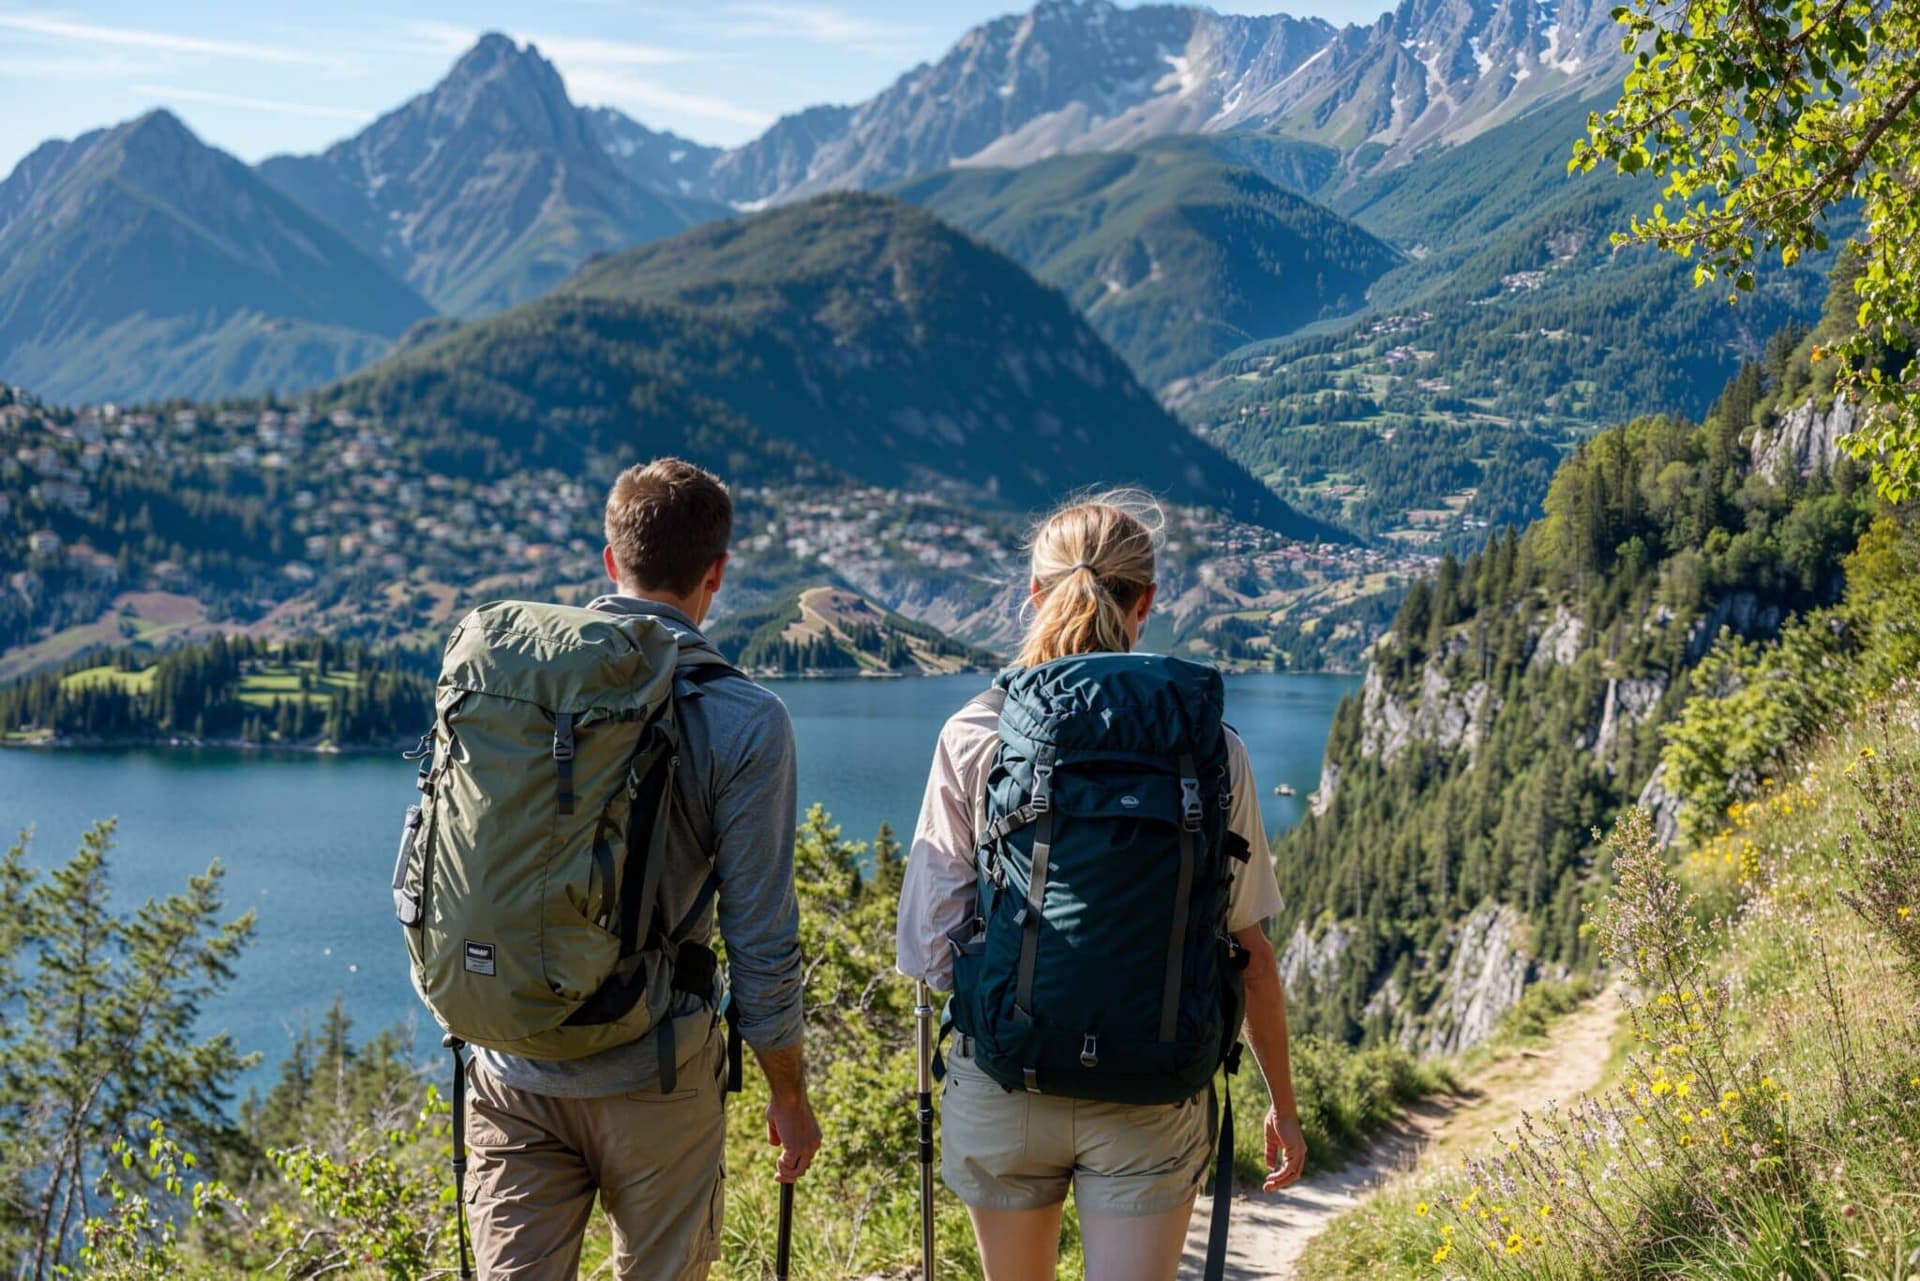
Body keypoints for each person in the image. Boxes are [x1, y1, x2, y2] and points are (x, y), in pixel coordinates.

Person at [895, 492, 1308, 1281]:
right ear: (1146, 602)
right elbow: (1250, 951)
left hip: (1007, 1079)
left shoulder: (977, 733)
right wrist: (1282, 1108)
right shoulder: (1209, 747)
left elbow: (926, 947)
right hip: (1152, 1093)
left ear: (1034, 594)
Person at [464, 458, 822, 1281]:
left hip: (512, 1063)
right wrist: (789, 1094)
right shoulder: (744, 717)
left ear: (609, 560)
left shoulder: (518, 680)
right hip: (653, 1068)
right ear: (716, 574)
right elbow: (762, 937)